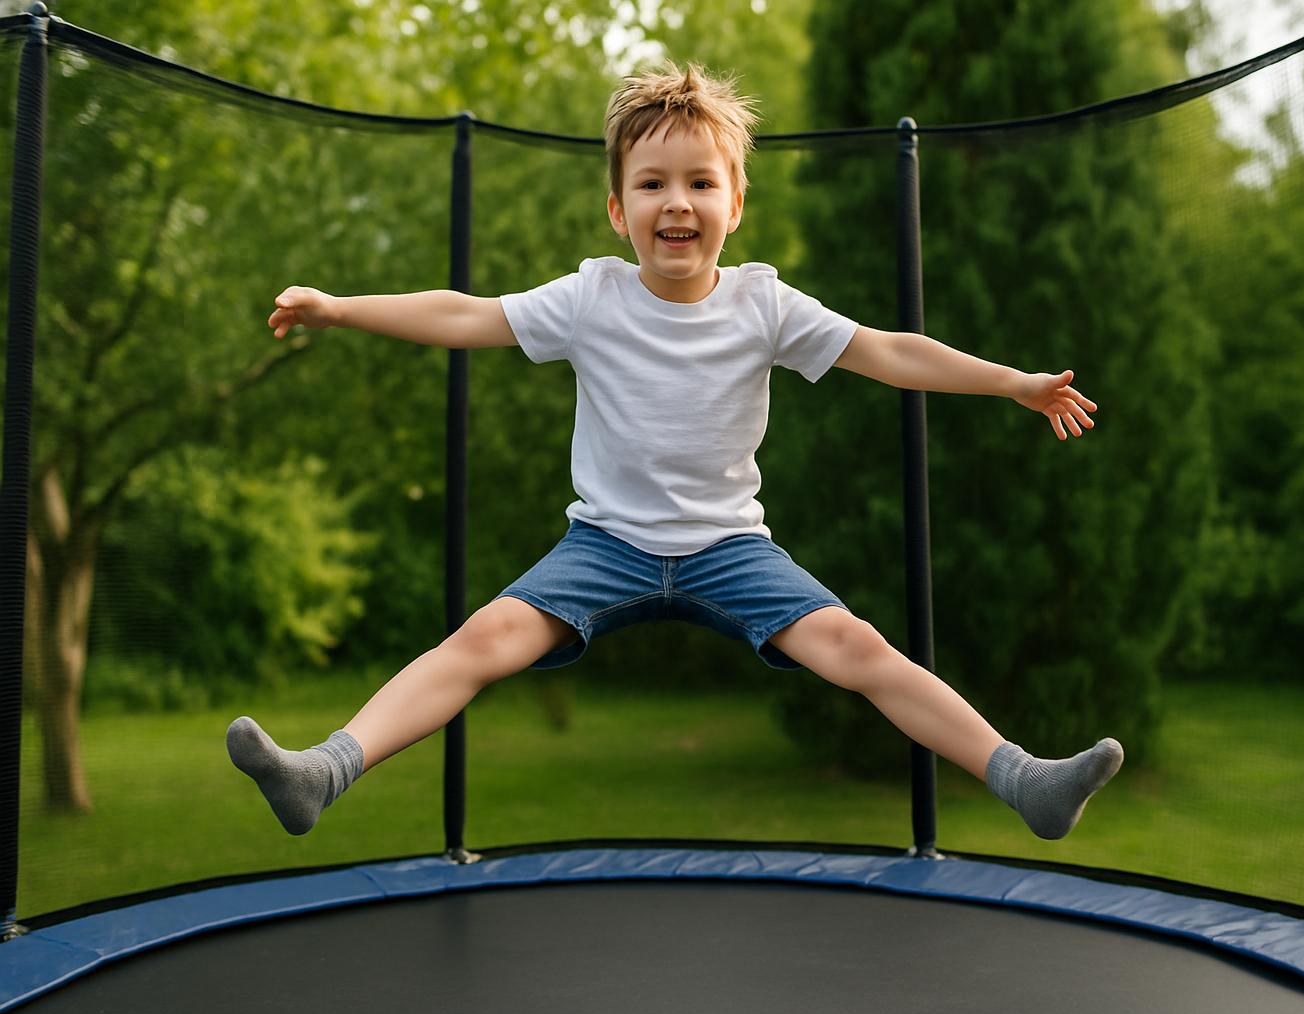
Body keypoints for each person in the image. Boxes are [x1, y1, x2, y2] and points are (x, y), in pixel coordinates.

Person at [227, 62, 1122, 842]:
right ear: (619, 210)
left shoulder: (765, 306)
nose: (677, 203)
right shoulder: (590, 299)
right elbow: (465, 315)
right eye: (652, 185)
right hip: (605, 543)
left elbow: (888, 350)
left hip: (730, 547)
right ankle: (323, 773)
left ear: (735, 202)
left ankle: (1023, 781)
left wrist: (1014, 382)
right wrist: (342, 307)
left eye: (700, 182)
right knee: (483, 638)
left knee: (859, 647)